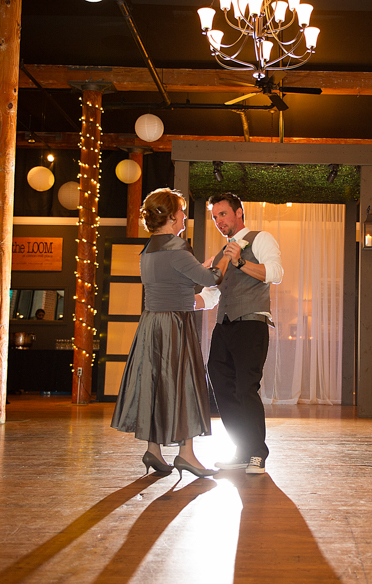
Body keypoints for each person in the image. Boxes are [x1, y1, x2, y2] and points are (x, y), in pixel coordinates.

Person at [111, 188, 231, 479]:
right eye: (181, 210)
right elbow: (211, 278)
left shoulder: (149, 248)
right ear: (171, 216)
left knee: (157, 385)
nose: (184, 215)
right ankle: (186, 454)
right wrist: (226, 255)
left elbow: (173, 282)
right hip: (175, 325)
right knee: (183, 384)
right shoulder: (177, 247)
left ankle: (154, 449)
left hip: (151, 324)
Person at [196, 193, 284, 474]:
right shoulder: (220, 254)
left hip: (251, 324)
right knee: (220, 383)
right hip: (224, 326)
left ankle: (257, 453)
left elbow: (276, 272)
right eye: (214, 217)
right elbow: (210, 296)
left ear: (238, 213)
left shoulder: (261, 238)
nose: (219, 221)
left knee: (246, 388)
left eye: (223, 214)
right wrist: (178, 302)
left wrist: (241, 263)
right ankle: (242, 450)